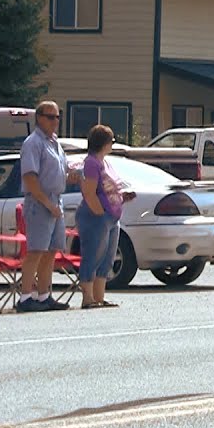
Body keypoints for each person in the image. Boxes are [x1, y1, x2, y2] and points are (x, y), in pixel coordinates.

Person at [17, 101, 78, 312]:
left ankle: (44, 295)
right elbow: (31, 178)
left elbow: (62, 173)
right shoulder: (33, 143)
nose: (55, 121)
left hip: (56, 199)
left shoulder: (55, 143)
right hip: (40, 201)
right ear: (39, 118)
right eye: (50, 117)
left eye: (58, 116)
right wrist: (47, 203)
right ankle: (25, 297)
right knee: (36, 250)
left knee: (51, 251)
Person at [77, 125, 132, 309]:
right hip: (96, 217)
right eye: (111, 140)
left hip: (112, 217)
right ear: (103, 143)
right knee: (93, 255)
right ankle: (87, 298)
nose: (113, 144)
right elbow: (89, 191)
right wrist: (99, 211)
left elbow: (108, 189)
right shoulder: (91, 163)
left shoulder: (105, 162)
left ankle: (99, 297)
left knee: (107, 258)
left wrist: (122, 197)